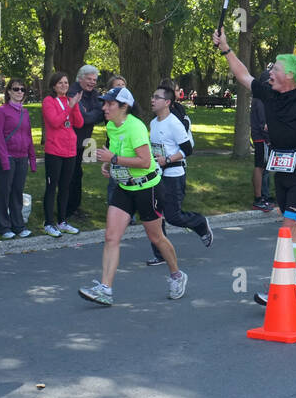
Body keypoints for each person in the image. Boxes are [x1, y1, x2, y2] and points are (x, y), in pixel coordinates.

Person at [213, 6, 296, 296]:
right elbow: (243, 75)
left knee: (287, 227)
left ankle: (279, 289)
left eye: (276, 69)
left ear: (291, 77)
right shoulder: (269, 92)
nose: (270, 72)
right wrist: (226, 48)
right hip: (280, 168)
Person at [79, 86, 187, 305]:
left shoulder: (135, 127)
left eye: (109, 104)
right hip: (125, 187)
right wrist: (110, 165)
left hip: (148, 188)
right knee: (111, 236)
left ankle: (177, 275)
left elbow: (146, 162)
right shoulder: (110, 125)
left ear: (124, 107)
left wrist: (114, 159)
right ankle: (105, 290)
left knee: (156, 237)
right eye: (104, 103)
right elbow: (116, 150)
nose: (104, 107)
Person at [146, 84, 212, 263]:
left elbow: (187, 149)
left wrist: (167, 160)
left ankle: (200, 223)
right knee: (156, 215)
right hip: (157, 175)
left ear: (167, 102)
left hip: (174, 174)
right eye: (152, 96)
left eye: (157, 97)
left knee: (173, 217)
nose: (152, 100)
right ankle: (160, 254)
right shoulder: (153, 122)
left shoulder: (174, 123)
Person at [0, 78, 37, 239]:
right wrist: (4, 160)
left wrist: (32, 159)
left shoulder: (25, 112)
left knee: (17, 193)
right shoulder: (1, 111)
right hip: (8, 157)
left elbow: (28, 136)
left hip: (22, 157)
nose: (19, 92)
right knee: (4, 193)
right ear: (9, 91)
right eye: (16, 89)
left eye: (22, 89)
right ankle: (3, 226)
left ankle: (18, 225)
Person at [41, 71, 83, 236]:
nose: (64, 85)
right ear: (53, 86)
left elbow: (79, 123)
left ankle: (62, 221)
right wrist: (70, 106)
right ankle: (49, 223)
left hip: (70, 150)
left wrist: (75, 106)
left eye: (66, 83)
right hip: (54, 150)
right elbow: (55, 122)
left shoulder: (69, 101)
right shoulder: (49, 101)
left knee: (65, 187)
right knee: (52, 186)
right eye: (60, 83)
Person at [65, 65, 104, 220]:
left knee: (77, 174)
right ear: (80, 78)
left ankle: (75, 208)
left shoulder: (93, 94)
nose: (92, 82)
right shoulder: (72, 92)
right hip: (69, 142)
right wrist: (94, 113)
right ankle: (68, 210)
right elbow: (83, 119)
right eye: (89, 79)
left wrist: (91, 113)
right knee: (70, 176)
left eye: (94, 80)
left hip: (81, 142)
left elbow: (103, 113)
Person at [250, 88, 274, 209]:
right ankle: (259, 198)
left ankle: (264, 195)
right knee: (260, 167)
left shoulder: (258, 100)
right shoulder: (260, 101)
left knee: (263, 168)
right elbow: (264, 124)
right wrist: (268, 140)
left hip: (259, 138)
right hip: (261, 139)